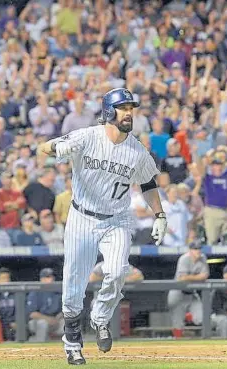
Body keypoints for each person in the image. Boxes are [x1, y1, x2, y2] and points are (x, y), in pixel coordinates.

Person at [39, 88, 167, 364]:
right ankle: (72, 340)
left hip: (117, 220)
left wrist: (159, 215)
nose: (129, 113)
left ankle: (100, 318)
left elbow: (148, 183)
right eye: (123, 108)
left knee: (118, 270)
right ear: (109, 111)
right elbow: (44, 148)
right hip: (82, 218)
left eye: (131, 108)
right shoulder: (87, 136)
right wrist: (56, 148)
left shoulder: (137, 150)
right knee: (73, 283)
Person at [167, 241, 209, 339]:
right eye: (195, 249)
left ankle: (188, 316)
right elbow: (182, 278)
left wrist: (190, 277)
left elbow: (205, 276)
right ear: (190, 250)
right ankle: (177, 343)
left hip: (192, 293)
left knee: (201, 317)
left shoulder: (203, 258)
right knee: (177, 322)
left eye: (199, 249)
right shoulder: (184, 259)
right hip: (178, 293)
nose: (198, 251)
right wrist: (198, 277)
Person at [26, 268, 64, 342]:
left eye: (52, 276)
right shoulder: (35, 292)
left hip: (56, 320)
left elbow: (65, 309)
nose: (51, 279)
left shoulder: (58, 291)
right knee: (42, 323)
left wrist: (59, 316)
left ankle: (62, 348)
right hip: (38, 321)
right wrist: (48, 319)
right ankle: (39, 346)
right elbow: (32, 314)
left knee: (68, 323)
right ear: (42, 279)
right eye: (48, 277)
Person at [0, 268, 16, 341]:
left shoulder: (16, 293)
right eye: (3, 278)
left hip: (14, 322)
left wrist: (16, 321)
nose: (6, 280)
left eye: (8, 278)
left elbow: (21, 310)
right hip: (1, 323)